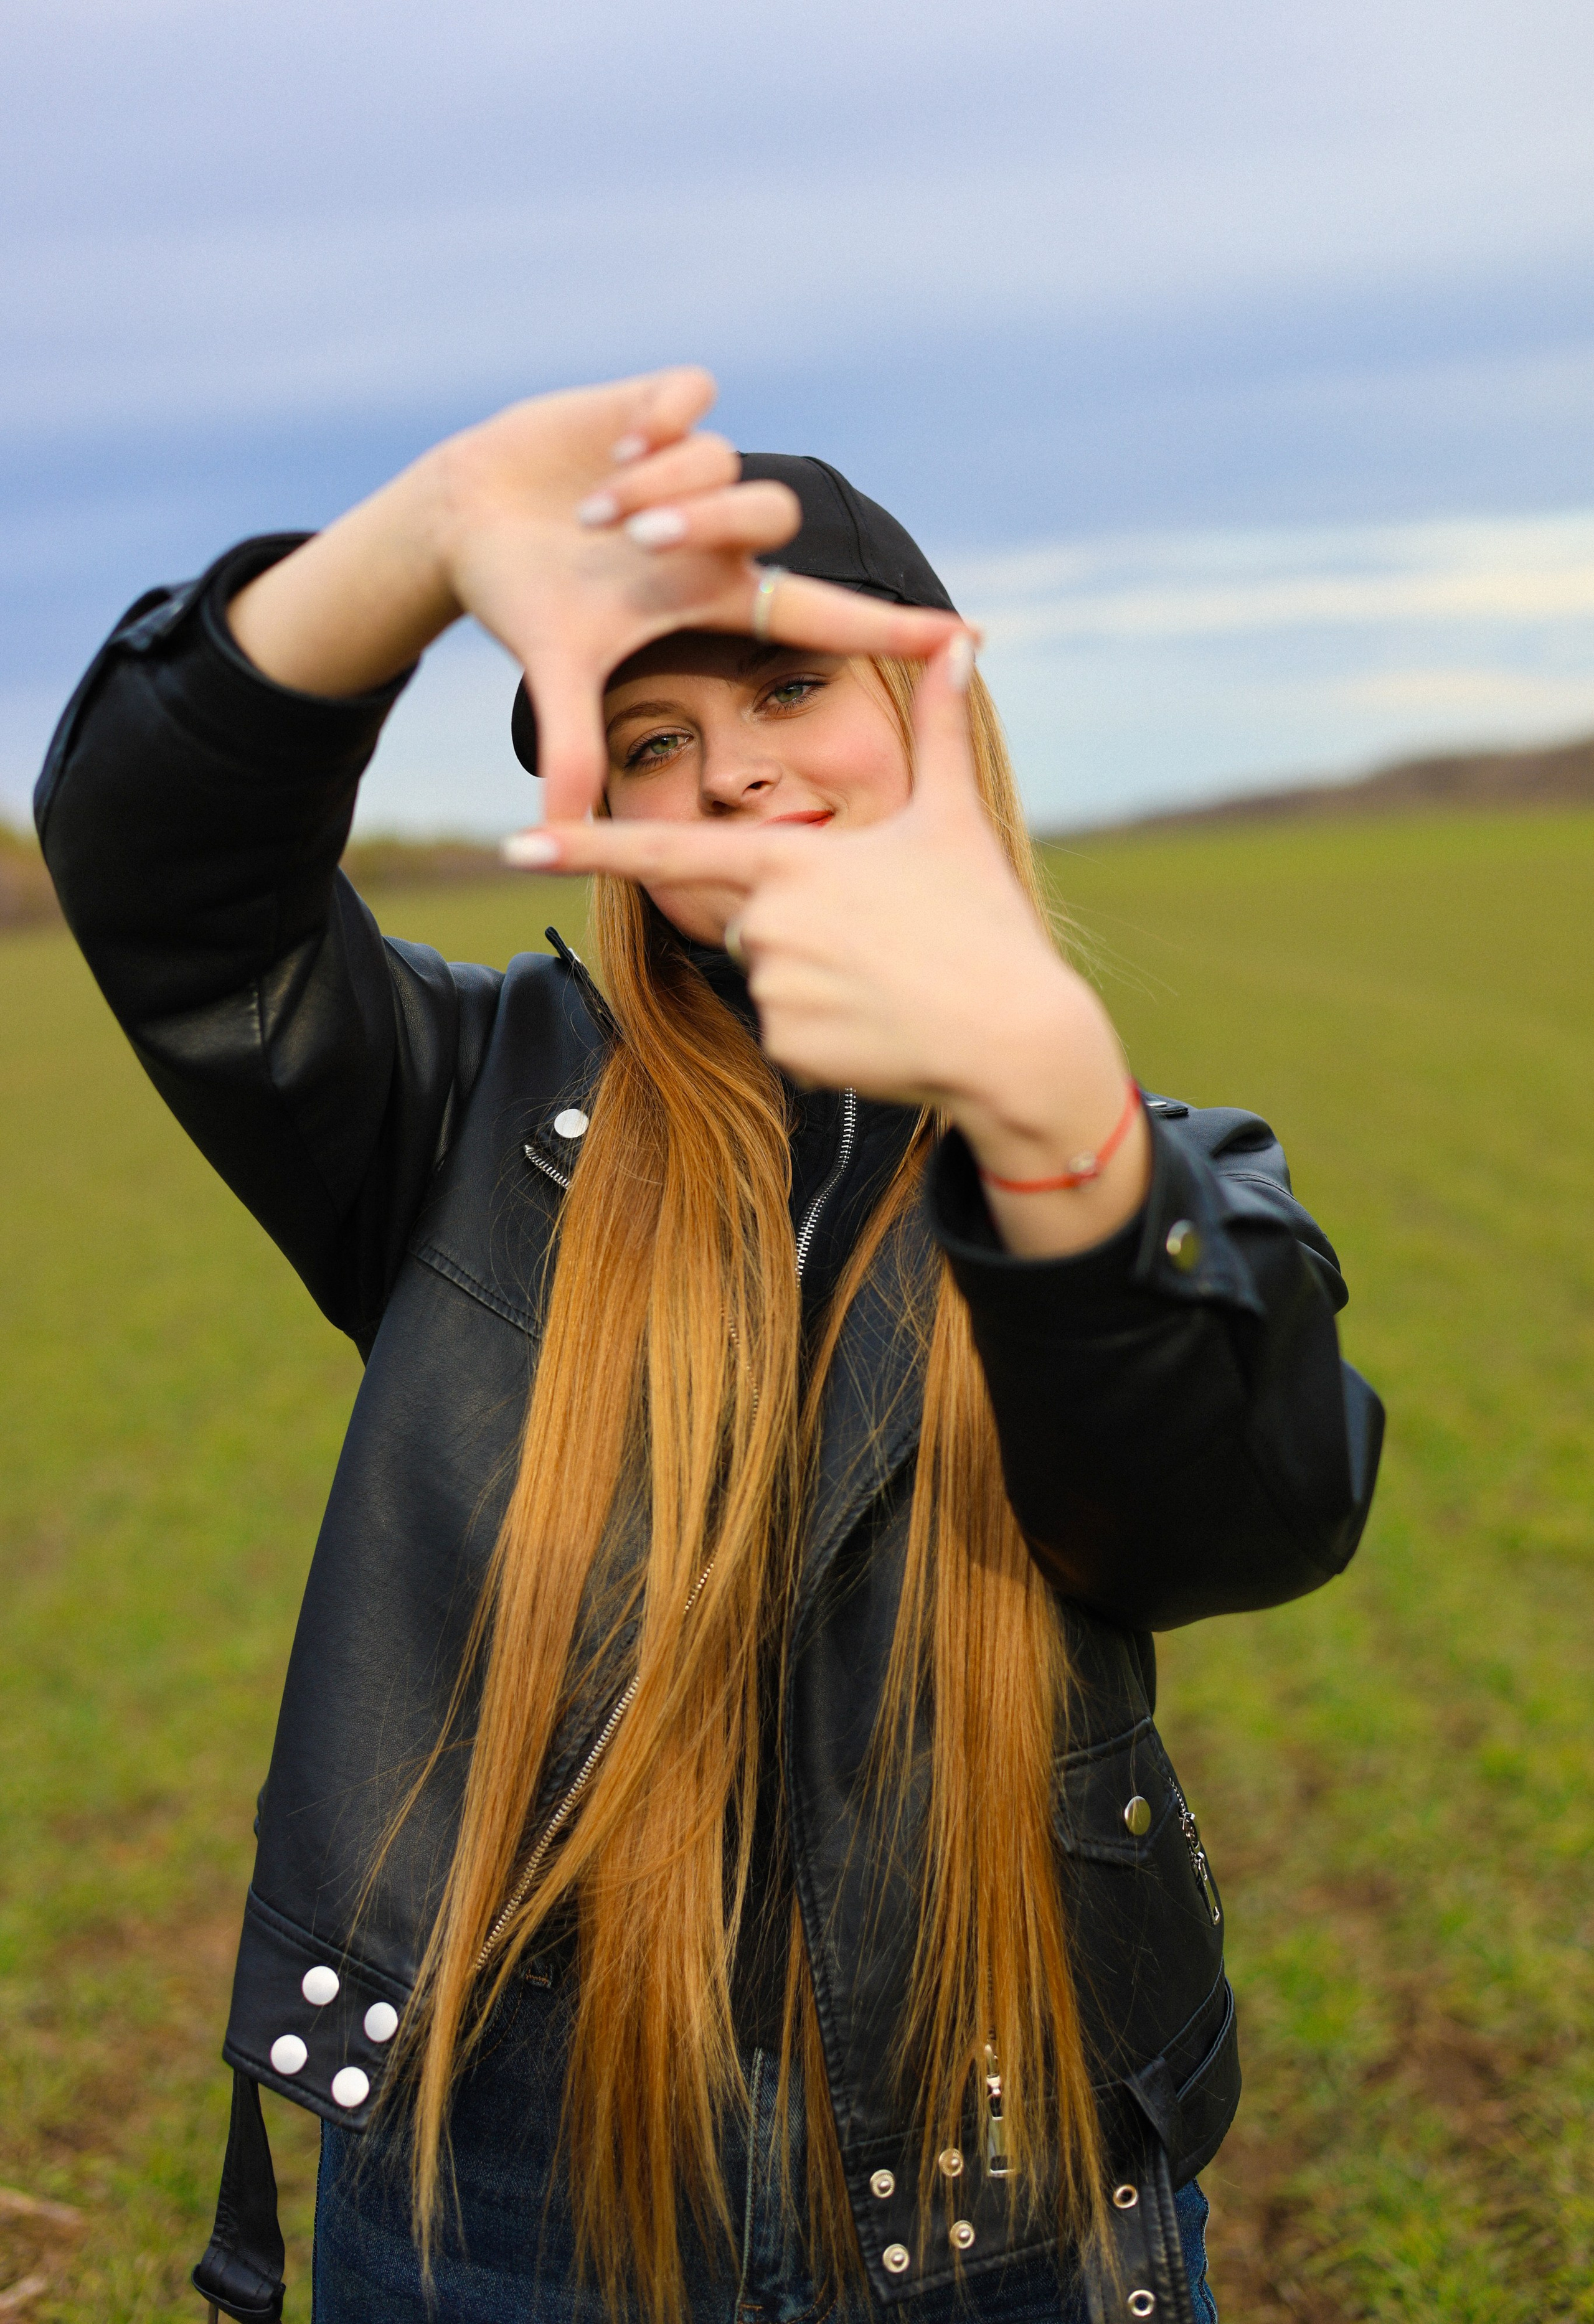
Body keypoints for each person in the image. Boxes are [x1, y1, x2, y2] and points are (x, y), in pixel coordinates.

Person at [36, 369, 1383, 2324]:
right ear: (592, 805)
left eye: (784, 694)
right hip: (500, 2198)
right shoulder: (457, 1111)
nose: (733, 773)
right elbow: (165, 867)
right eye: (649, 735)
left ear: (933, 707)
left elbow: (1243, 1518)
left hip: (1000, 2173)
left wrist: (1054, 1126)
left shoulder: (1134, 1164)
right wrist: (419, 536)